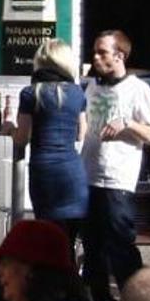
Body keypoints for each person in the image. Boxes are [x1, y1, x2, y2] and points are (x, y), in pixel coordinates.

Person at [82, 30, 150, 301]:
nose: (96, 57)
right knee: (92, 248)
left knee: (121, 247)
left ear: (119, 55)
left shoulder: (138, 90)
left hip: (117, 178)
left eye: (102, 52)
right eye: (95, 52)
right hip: (88, 174)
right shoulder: (90, 86)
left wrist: (127, 122)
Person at [6, 38, 88, 251]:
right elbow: (81, 134)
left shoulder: (30, 93)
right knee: (68, 243)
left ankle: (52, 283)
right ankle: (73, 282)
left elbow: (22, 138)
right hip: (72, 172)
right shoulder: (77, 93)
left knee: (49, 240)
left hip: (44, 173)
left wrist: (9, 127)